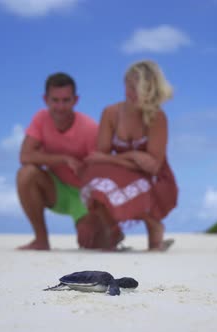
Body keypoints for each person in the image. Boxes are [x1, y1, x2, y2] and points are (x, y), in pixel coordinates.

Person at [16, 72, 122, 250]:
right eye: (55, 100)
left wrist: (98, 217)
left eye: (66, 100)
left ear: (75, 100)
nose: (60, 106)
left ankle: (111, 230)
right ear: (45, 99)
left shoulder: (89, 128)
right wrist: (64, 159)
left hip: (85, 195)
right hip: (56, 189)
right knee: (26, 173)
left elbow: (102, 177)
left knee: (92, 244)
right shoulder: (41, 119)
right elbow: (25, 156)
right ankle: (41, 239)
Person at [80, 60, 178, 251]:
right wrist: (133, 157)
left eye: (139, 88)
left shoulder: (157, 117)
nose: (133, 93)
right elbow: (99, 158)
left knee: (124, 178)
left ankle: (153, 225)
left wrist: (121, 157)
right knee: (92, 173)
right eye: (130, 87)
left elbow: (153, 166)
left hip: (154, 179)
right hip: (123, 171)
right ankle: (112, 228)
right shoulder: (111, 113)